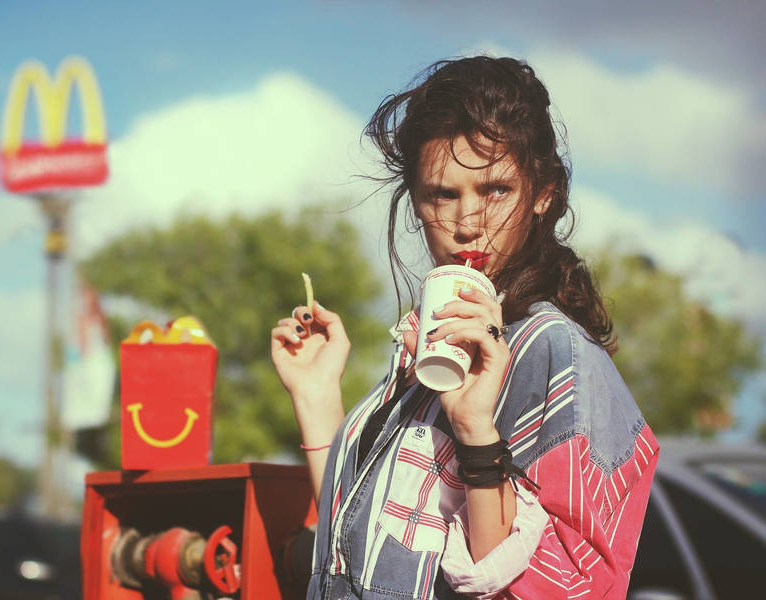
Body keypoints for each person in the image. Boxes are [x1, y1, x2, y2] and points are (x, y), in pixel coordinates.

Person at [271, 56, 658, 599]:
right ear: (417, 204)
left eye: (495, 190)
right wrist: (316, 397)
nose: (467, 223)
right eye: (443, 195)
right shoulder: (428, 346)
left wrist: (478, 437)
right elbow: (350, 556)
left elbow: (565, 588)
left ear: (542, 193)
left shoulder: (554, 353)